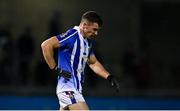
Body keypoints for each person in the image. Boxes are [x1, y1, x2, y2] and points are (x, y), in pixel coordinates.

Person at [41, 11, 120, 110]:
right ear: (84, 25)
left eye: (98, 30)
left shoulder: (88, 43)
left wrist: (109, 77)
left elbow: (93, 63)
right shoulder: (72, 35)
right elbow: (46, 45)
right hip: (68, 89)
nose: (96, 33)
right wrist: (55, 68)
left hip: (77, 89)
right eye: (94, 29)